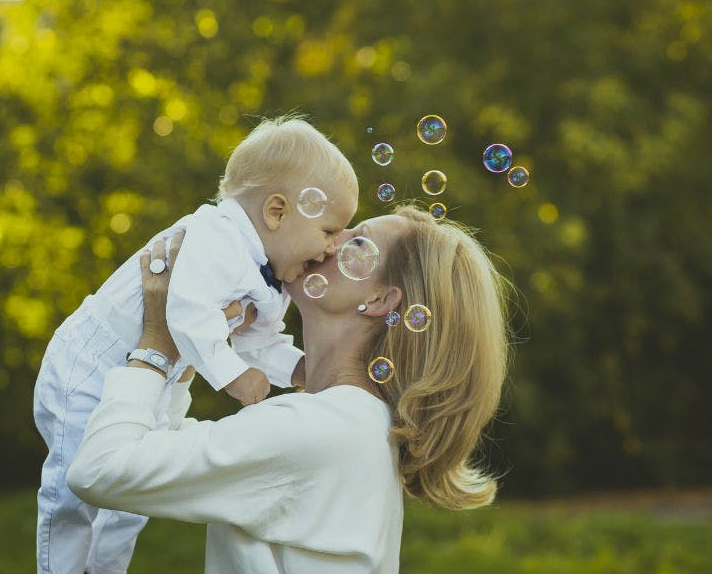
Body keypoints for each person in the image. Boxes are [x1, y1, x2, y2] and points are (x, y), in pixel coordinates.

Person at [67, 203, 512, 574]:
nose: (331, 241)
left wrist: (157, 343)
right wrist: (188, 351)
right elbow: (156, 447)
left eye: (356, 241)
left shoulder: (319, 430)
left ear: (379, 301)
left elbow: (102, 469)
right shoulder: (348, 424)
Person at [33, 116, 359, 574]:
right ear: (277, 212)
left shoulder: (274, 276)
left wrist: (301, 369)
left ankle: (103, 569)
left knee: (131, 494)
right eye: (328, 231)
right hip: (90, 363)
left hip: (154, 378)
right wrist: (233, 376)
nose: (330, 249)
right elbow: (187, 311)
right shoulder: (216, 237)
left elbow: (259, 342)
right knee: (72, 488)